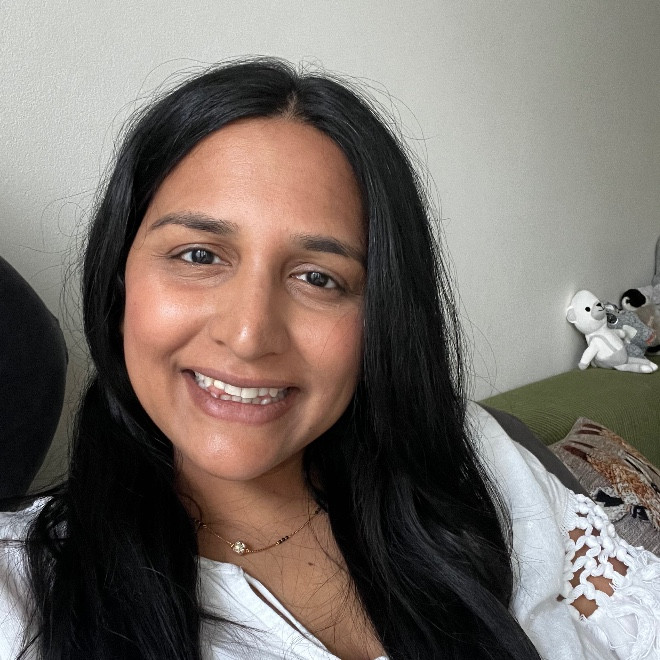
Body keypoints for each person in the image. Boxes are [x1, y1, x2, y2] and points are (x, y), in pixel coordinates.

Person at [0, 58, 658, 660]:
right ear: (120, 281)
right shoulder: (22, 596)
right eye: (199, 256)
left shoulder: (472, 455)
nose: (250, 334)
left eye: (318, 278)